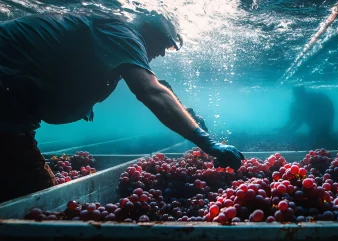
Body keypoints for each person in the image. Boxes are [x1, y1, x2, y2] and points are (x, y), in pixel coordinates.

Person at [0, 12, 244, 202]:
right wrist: (207, 142)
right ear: (147, 29)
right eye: (164, 44)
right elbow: (149, 91)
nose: (162, 54)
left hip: (12, 105)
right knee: (40, 204)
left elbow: (151, 85)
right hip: (7, 96)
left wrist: (186, 116)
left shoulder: (113, 38)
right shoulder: (123, 32)